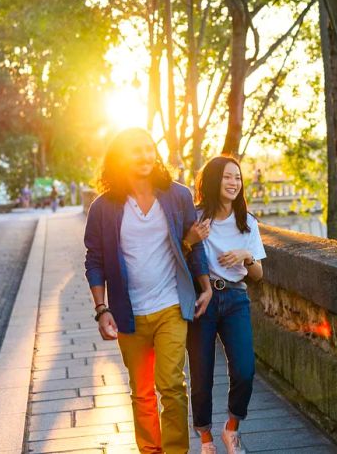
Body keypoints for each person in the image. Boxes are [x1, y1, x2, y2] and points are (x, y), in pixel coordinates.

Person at [84, 127, 213, 454]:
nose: (144, 156)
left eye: (148, 148)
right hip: (129, 314)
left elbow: (194, 243)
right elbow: (95, 261)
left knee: (171, 386)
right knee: (141, 392)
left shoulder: (177, 196)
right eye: (135, 150)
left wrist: (206, 287)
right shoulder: (103, 208)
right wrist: (102, 310)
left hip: (171, 304)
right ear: (119, 159)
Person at [183, 156, 266, 454]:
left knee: (245, 370)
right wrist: (190, 239)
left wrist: (246, 254)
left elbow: (258, 275)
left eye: (238, 178)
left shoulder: (248, 222)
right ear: (214, 180)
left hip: (235, 299)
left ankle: (232, 428)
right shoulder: (196, 218)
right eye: (227, 177)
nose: (234, 183)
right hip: (202, 301)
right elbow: (178, 256)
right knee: (202, 376)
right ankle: (205, 439)